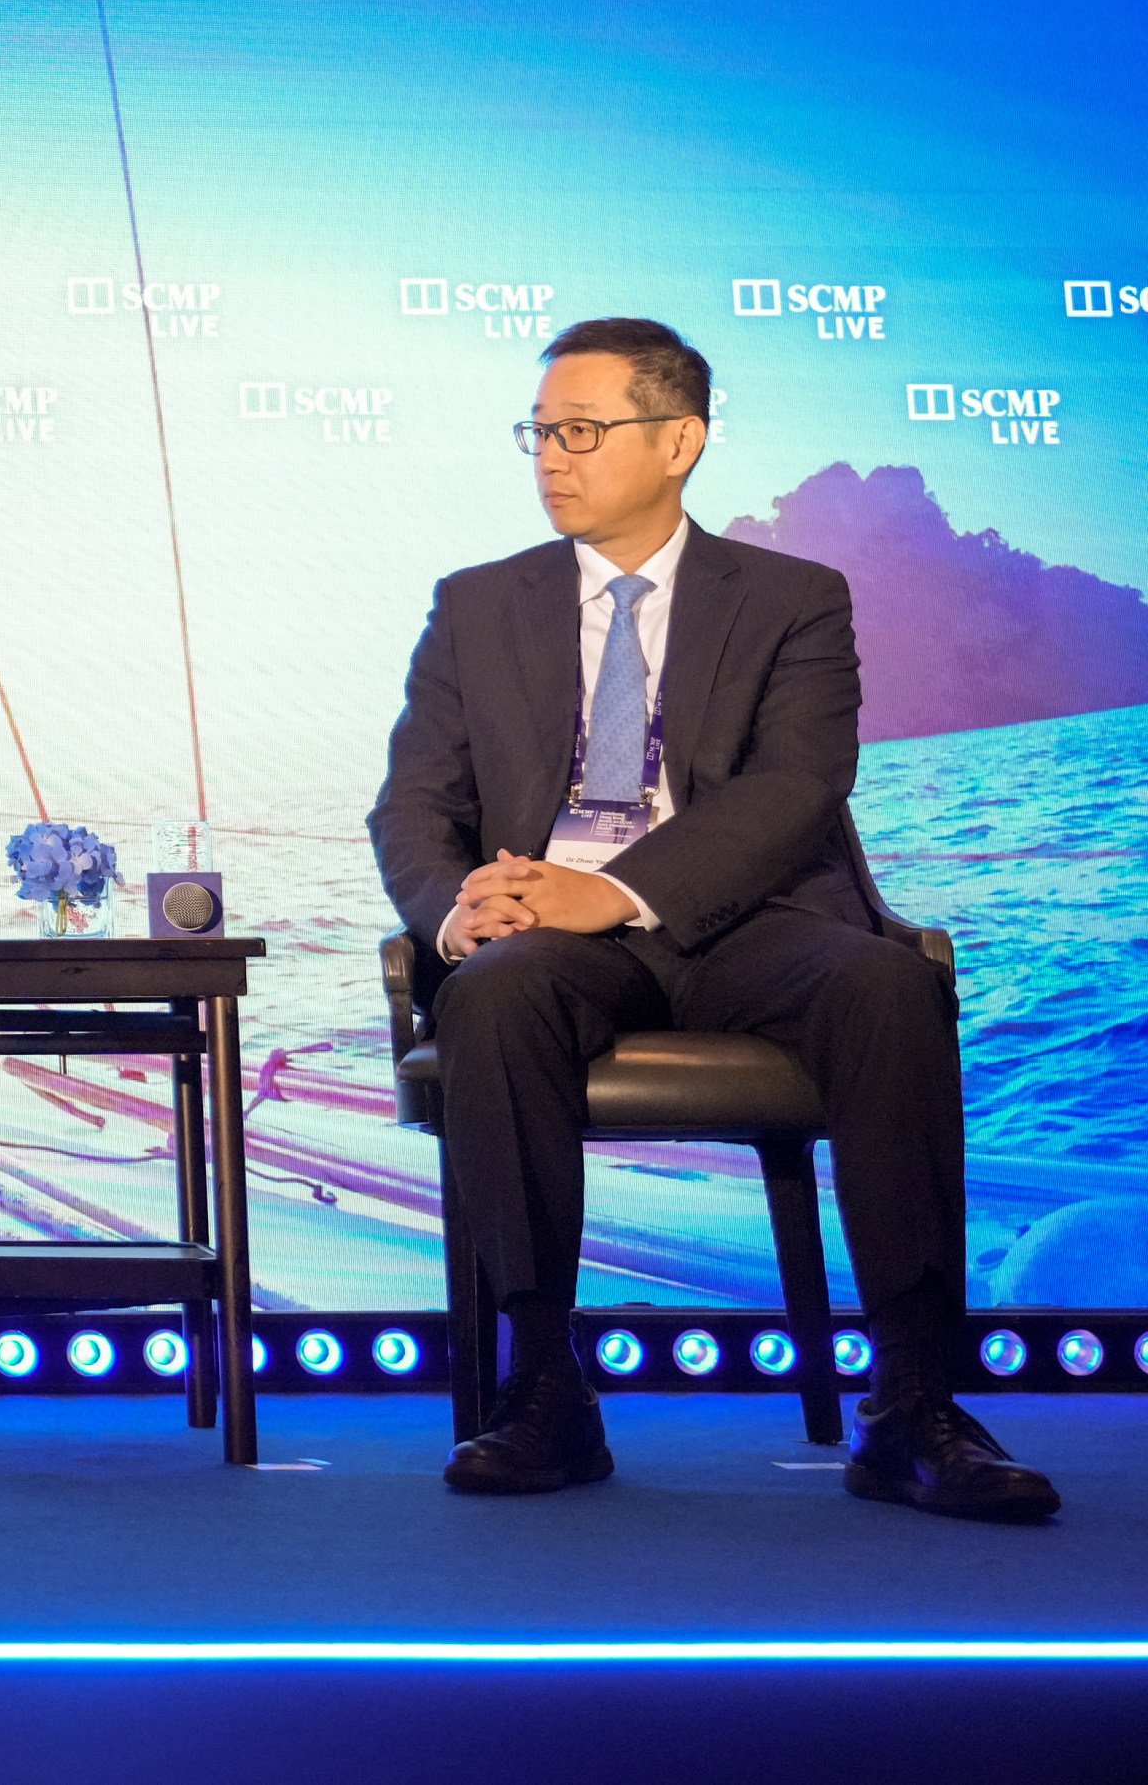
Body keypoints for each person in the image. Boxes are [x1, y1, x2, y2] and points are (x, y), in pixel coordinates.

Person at [371, 315, 1056, 1519]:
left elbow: (796, 790)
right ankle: (544, 1387)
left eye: (581, 431)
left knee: (890, 986)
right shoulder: (477, 605)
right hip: (550, 937)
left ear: (679, 439)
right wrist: (452, 915)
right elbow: (414, 803)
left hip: (748, 923)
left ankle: (913, 1402)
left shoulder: (794, 599)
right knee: (495, 993)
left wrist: (621, 890)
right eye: (538, 432)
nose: (551, 457)